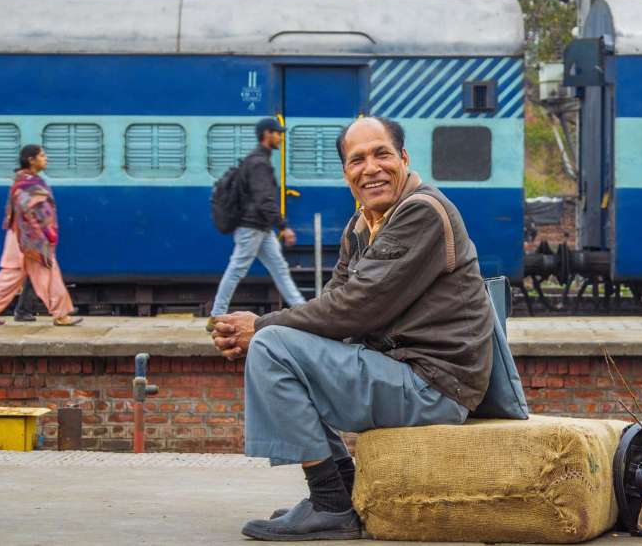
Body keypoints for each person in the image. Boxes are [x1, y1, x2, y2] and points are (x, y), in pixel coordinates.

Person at [208, 116, 494, 541]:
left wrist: (261, 327)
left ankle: (329, 504)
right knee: (280, 345)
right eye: (357, 160)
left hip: (434, 386)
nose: (371, 168)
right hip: (404, 372)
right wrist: (254, 331)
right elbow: (333, 307)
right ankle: (338, 491)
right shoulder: (362, 224)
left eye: (381, 154)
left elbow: (356, 310)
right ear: (347, 174)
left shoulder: (422, 212)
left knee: (272, 346)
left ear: (403, 158)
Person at [212, 117, 308, 316]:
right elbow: (264, 199)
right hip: (252, 227)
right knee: (237, 269)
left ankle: (302, 311)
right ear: (267, 134)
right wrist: (283, 226)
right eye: (278, 133)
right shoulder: (258, 163)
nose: (281, 137)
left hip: (261, 228)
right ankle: (217, 314)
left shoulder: (256, 160)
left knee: (279, 268)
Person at [0, 145, 81, 326]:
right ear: (31, 160)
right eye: (42, 155)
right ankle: (61, 314)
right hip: (31, 238)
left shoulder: (22, 180)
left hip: (16, 236)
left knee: (11, 274)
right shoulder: (29, 183)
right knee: (49, 273)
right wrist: (45, 235)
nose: (45, 158)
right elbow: (33, 213)